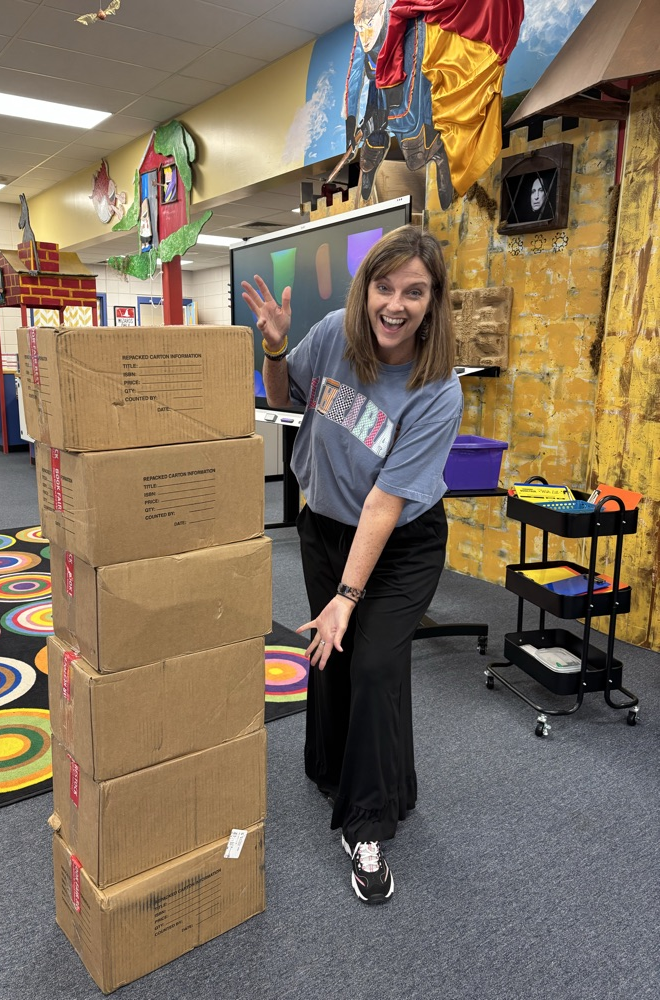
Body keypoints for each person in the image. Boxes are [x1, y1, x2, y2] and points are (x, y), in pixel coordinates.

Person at [241, 225, 463, 905]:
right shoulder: (336, 333)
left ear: (433, 301)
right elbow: (283, 396)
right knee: (329, 655)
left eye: (414, 292)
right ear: (366, 287)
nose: (396, 304)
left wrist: (347, 594)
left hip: (401, 542)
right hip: (324, 529)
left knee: (373, 664)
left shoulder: (437, 389)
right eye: (385, 286)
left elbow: (386, 503)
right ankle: (339, 769)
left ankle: (369, 823)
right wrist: (276, 346)